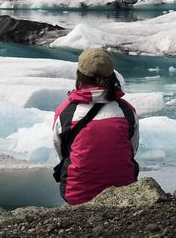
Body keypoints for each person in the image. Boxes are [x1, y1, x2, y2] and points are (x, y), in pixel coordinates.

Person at [52, 47, 139, 205]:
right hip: (124, 191)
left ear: (80, 75)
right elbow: (132, 149)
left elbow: (61, 152)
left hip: (77, 195)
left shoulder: (66, 111)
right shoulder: (126, 110)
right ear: (112, 76)